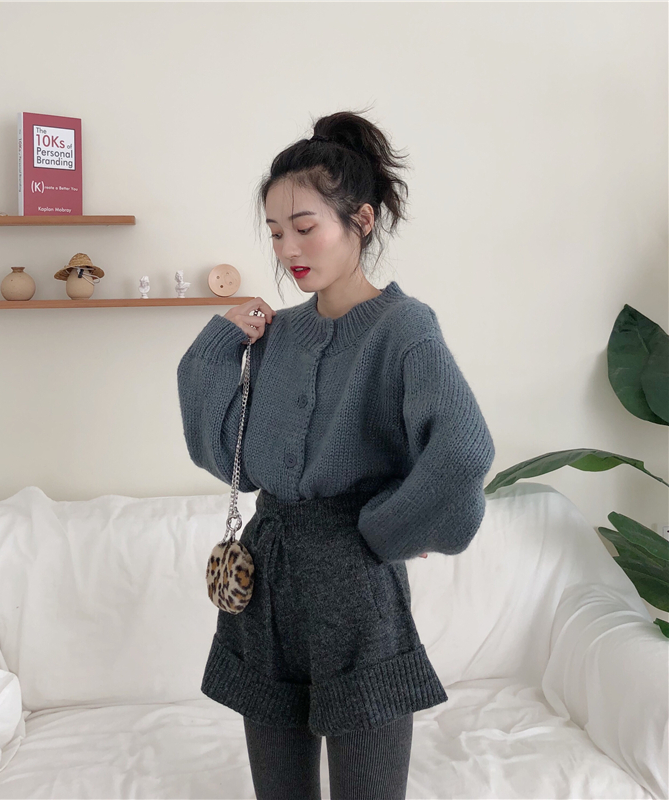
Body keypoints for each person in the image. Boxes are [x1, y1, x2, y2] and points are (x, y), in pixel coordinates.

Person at [177, 108, 496, 800]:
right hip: (266, 579)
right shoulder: (278, 334)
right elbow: (230, 460)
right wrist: (218, 344)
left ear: (363, 220)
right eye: (274, 232)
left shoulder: (404, 328)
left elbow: (464, 448)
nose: (288, 247)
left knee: (368, 787)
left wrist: (387, 533)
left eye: (304, 226)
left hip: (356, 589)